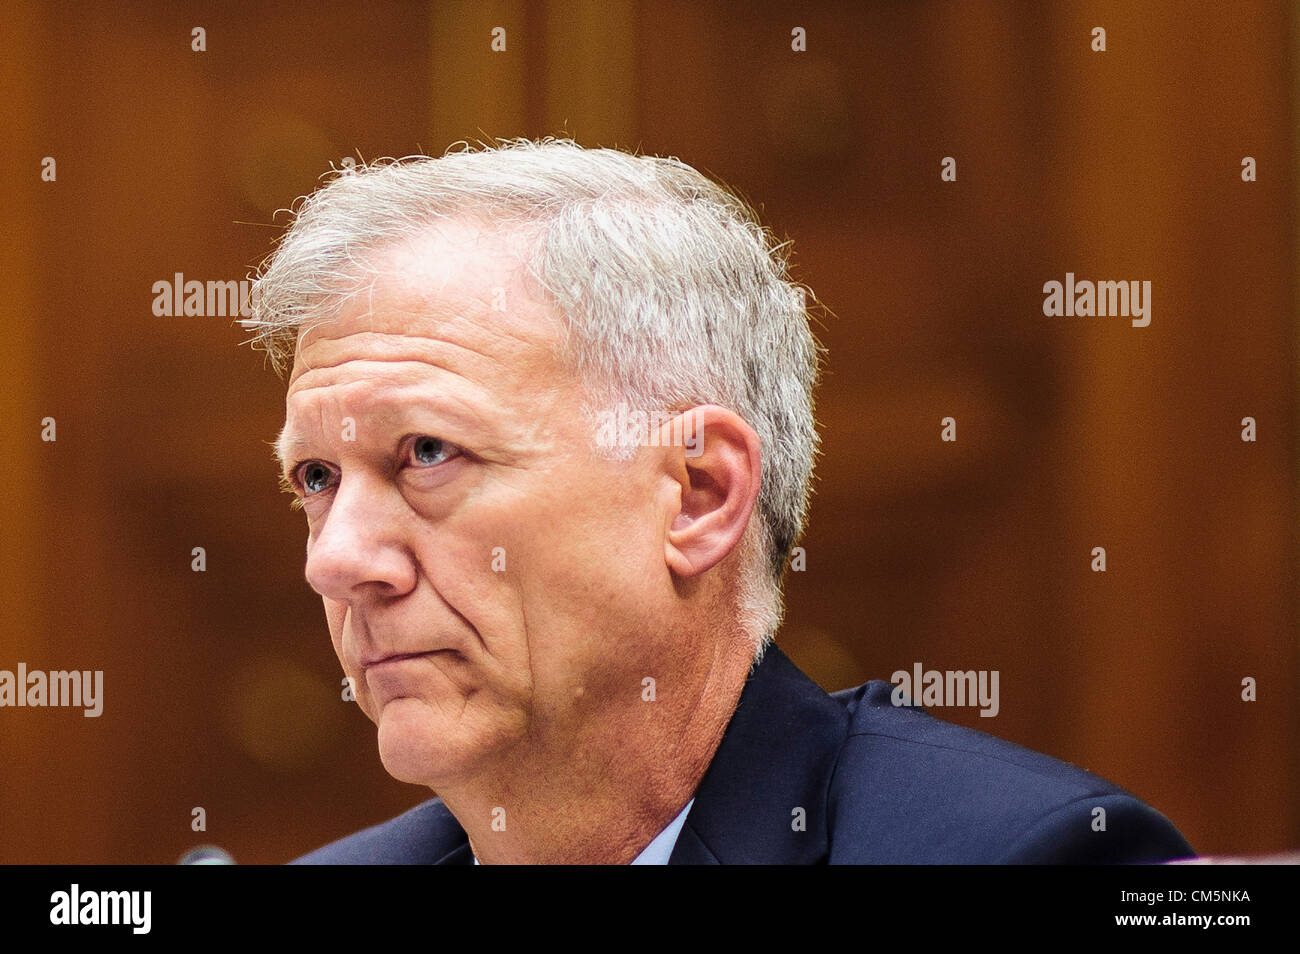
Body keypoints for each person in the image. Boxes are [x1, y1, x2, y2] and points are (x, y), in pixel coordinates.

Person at [245, 138, 1193, 864]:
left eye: (427, 453)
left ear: (698, 494)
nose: (333, 561)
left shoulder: (1030, 854)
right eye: (317, 478)